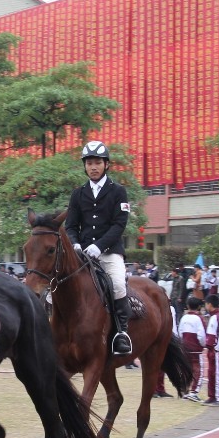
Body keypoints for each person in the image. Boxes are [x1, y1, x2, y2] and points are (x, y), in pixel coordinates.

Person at [64, 139, 133, 356]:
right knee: (56, 287)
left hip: (110, 251)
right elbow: (71, 225)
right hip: (82, 253)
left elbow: (119, 224)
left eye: (97, 162)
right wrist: (74, 243)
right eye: (89, 163)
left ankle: (121, 333)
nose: (93, 167)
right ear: (85, 166)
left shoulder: (118, 191)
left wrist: (99, 246)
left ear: (106, 165)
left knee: (118, 285)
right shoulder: (78, 193)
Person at [177, 296, 206, 402]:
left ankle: (185, 391)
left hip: (185, 348)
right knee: (198, 370)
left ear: (188, 306)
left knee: (186, 369)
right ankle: (194, 392)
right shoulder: (199, 319)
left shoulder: (184, 318)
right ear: (199, 307)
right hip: (195, 349)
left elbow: (180, 332)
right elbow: (202, 335)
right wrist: (202, 345)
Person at [202, 293, 219, 405]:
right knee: (211, 373)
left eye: (206, 304)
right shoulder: (212, 317)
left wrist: (217, 349)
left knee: (216, 374)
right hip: (212, 350)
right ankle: (212, 396)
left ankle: (217, 397)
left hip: (216, 351)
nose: (205, 306)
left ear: (210, 304)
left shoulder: (218, 317)